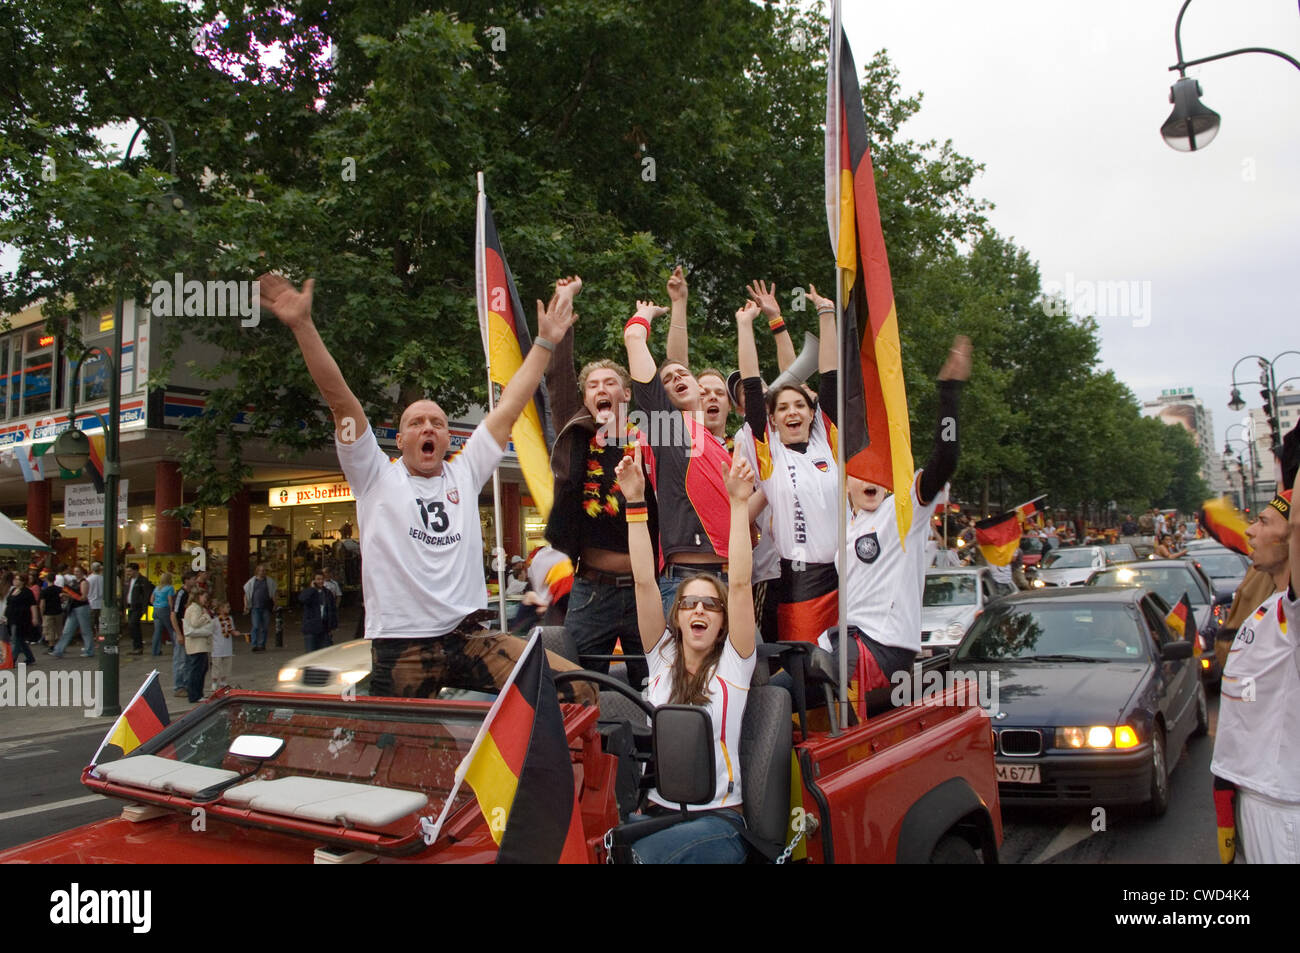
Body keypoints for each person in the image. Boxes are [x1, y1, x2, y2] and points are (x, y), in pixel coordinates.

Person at [262, 270, 596, 704]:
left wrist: (546, 341)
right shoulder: (374, 476)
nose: (428, 427)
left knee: (580, 687)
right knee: (394, 747)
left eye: (437, 423)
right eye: (415, 422)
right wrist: (303, 326)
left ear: (446, 439)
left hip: (468, 638)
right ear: (399, 441)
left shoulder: (464, 472)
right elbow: (340, 399)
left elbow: (511, 403)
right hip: (402, 647)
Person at [615, 443, 756, 863]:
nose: (699, 610)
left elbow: (741, 584)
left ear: (722, 620)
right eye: (689, 603)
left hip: (718, 821)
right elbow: (644, 581)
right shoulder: (661, 659)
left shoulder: (735, 663)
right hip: (655, 813)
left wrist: (737, 502)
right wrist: (636, 503)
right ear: (676, 617)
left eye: (710, 605)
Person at [816, 335, 970, 701]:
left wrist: (949, 391)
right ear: (846, 481)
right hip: (842, 642)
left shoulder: (903, 511)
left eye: (880, 471)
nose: (873, 478)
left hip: (883, 649)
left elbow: (945, 459)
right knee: (780, 689)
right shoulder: (844, 527)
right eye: (862, 471)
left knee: (822, 685)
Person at [543, 275, 654, 688]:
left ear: (626, 394)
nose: (601, 389)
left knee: (658, 688)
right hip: (592, 590)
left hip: (648, 588)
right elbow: (557, 373)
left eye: (611, 384)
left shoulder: (651, 437)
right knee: (577, 690)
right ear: (586, 399)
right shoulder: (578, 435)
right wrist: (565, 300)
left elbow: (659, 389)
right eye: (593, 386)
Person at [736, 284, 840, 644]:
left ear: (812, 413)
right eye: (782, 407)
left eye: (799, 405)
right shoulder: (768, 453)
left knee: (848, 672)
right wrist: (745, 325)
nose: (792, 411)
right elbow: (751, 386)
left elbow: (830, 377)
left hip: (849, 577)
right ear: (773, 419)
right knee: (810, 673)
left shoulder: (828, 441)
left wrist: (826, 313)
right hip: (801, 581)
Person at [623, 295, 735, 618]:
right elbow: (633, 339)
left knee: (745, 669)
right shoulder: (666, 427)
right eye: (666, 380)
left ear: (701, 388)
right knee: (685, 672)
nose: (675, 379)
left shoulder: (722, 445)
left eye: (683, 374)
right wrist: (643, 315)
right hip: (686, 581)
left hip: (734, 579)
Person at [1210, 488, 1300, 863]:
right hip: (1253, 793)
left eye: (1264, 522)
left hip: (1284, 807)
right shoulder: (1269, 605)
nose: (1249, 530)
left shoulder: (1294, 617)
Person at [53, 566, 94, 658]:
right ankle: (58, 650)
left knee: (85, 630)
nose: (76, 573)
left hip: (82, 607)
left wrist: (68, 595)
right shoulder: (73, 582)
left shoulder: (84, 582)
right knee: (67, 630)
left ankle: (89, 650)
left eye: (78, 571)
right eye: (75, 571)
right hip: (73, 608)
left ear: (82, 572)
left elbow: (83, 597)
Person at [182, 590, 215, 704]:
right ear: (198, 596)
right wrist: (205, 616)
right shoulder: (195, 608)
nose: (206, 599)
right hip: (197, 644)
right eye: (204, 596)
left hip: (199, 644)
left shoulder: (195, 607)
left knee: (202, 668)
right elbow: (195, 623)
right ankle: (195, 695)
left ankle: (198, 693)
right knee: (197, 669)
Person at [170, 570, 197, 696]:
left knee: (187, 660)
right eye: (192, 579)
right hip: (181, 630)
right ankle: (179, 686)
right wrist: (179, 633)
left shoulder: (191, 593)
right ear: (186, 580)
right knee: (180, 660)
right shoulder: (181, 594)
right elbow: (173, 614)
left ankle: (186, 684)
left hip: (188, 630)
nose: (195, 581)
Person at [299, 571, 339, 652]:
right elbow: (302, 599)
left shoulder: (327, 593)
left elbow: (332, 609)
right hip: (311, 627)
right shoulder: (309, 592)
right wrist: (312, 589)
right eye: (318, 579)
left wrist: (332, 626)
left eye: (322, 579)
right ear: (313, 580)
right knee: (311, 653)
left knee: (325, 652)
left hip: (324, 627)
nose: (320, 581)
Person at [242, 563, 276, 653]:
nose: (262, 572)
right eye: (260, 570)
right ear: (257, 571)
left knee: (264, 627)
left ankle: (262, 644)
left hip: (266, 607)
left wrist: (275, 604)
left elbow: (273, 593)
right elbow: (246, 594)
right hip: (255, 607)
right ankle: (254, 644)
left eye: (264, 571)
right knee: (256, 626)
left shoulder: (269, 581)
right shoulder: (252, 582)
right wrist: (245, 605)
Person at [5, 572, 36, 666]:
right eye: (15, 579)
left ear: (22, 582)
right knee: (20, 639)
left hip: (21, 618)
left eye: (17, 579)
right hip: (11, 617)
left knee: (15, 639)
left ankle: (12, 660)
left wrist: (35, 617)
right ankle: (30, 657)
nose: (15, 581)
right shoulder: (13, 590)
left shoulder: (27, 592)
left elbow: (33, 605)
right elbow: (8, 603)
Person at [123, 563, 153, 655]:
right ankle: (136, 646)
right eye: (127, 571)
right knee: (132, 626)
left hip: (138, 606)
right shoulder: (128, 581)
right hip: (130, 606)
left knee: (133, 624)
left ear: (135, 570)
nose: (128, 573)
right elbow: (125, 593)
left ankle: (138, 647)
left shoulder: (143, 580)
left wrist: (144, 608)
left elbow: (146, 595)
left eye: (130, 571)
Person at [210, 601, 240, 692]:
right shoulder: (214, 621)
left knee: (226, 665)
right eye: (227, 607)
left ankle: (223, 681)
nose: (229, 609)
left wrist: (235, 632)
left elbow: (231, 630)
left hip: (227, 647)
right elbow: (210, 632)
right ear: (221, 609)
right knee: (216, 665)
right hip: (217, 647)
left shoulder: (230, 619)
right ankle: (214, 682)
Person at [151, 572, 176, 656]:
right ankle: (177, 648)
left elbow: (151, 600)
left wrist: (156, 604)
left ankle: (155, 651)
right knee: (171, 629)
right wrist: (172, 610)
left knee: (157, 631)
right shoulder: (170, 588)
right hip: (165, 609)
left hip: (156, 610)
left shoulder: (157, 588)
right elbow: (170, 600)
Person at [39, 573, 63, 650]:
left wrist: (41, 614)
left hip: (48, 612)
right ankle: (60, 646)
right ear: (55, 579)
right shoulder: (59, 589)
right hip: (58, 611)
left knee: (50, 630)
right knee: (59, 629)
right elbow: (62, 599)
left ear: (46, 579)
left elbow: (42, 604)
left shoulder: (44, 591)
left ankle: (51, 646)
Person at [86, 562, 104, 639]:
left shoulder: (88, 579)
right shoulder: (103, 579)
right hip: (101, 604)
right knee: (101, 623)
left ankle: (92, 638)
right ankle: (101, 638)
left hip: (91, 603)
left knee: (91, 623)